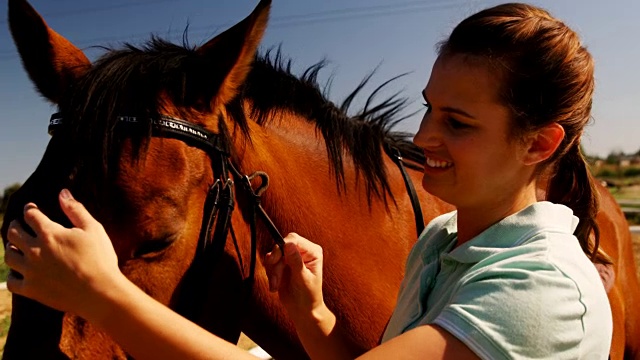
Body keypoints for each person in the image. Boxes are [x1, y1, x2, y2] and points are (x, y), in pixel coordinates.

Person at [4, 3, 613, 359]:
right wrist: (315, 316)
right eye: (428, 108)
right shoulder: (441, 240)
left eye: (456, 122)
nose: (423, 137)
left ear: (539, 143)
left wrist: (103, 293)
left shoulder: (543, 292)